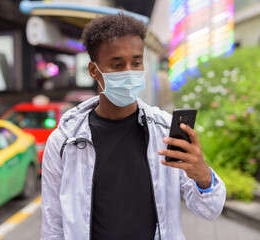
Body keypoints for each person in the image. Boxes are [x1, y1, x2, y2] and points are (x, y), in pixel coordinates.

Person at [41, 13, 226, 240]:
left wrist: (203, 176)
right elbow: (53, 227)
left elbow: (209, 210)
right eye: (117, 64)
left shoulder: (166, 131)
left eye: (136, 62)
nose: (129, 71)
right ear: (93, 70)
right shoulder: (64, 142)